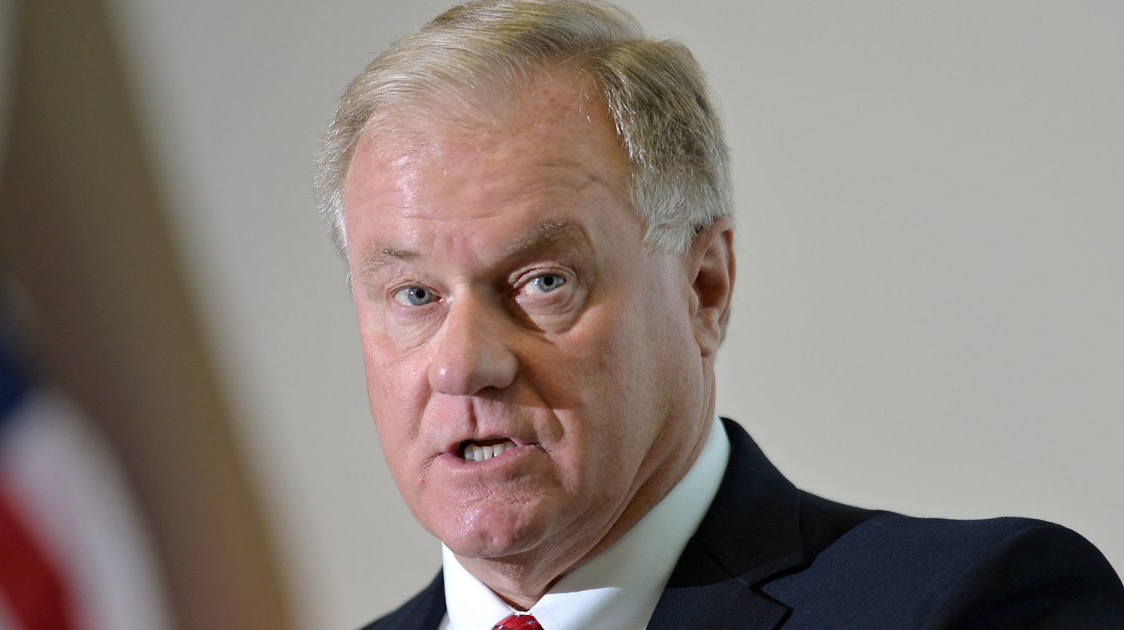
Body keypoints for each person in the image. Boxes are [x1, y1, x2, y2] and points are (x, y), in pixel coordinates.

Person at [316, 1, 1124, 627]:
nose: (463, 364)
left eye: (543, 282)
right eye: (415, 295)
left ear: (705, 286)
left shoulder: (976, 606)